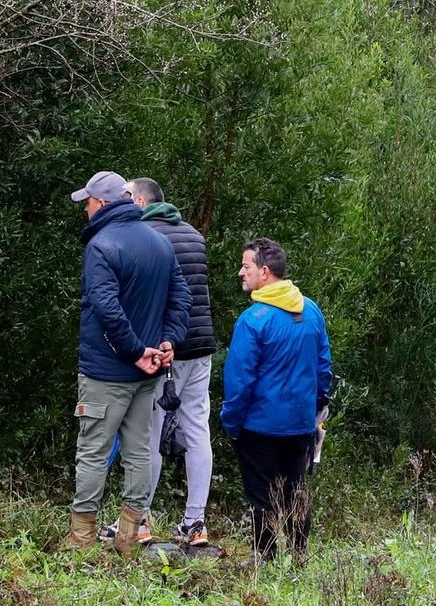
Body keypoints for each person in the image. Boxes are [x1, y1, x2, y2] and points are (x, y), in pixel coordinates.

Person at [66, 170, 190, 555]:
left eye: (86, 201)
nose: (85, 208)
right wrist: (167, 342)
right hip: (147, 373)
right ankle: (128, 541)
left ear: (101, 203)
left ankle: (81, 541)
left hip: (107, 370)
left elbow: (106, 308)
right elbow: (181, 300)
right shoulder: (159, 243)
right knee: (138, 453)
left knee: (92, 451)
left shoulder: (101, 245)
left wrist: (137, 351)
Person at [221, 238, 334, 561]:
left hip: (259, 424)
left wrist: (231, 421)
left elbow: (239, 380)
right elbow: (324, 366)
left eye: (246, 266)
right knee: (295, 488)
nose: (240, 272)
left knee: (261, 494)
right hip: (300, 423)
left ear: (265, 272)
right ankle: (299, 554)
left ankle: (265, 557)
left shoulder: (254, 320)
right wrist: (315, 407)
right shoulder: (310, 310)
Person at [128, 178, 216, 547]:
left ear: (140, 200)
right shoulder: (193, 234)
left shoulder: (142, 235)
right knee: (197, 428)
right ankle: (194, 522)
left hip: (163, 347)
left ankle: (140, 520)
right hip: (200, 345)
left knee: (150, 431)